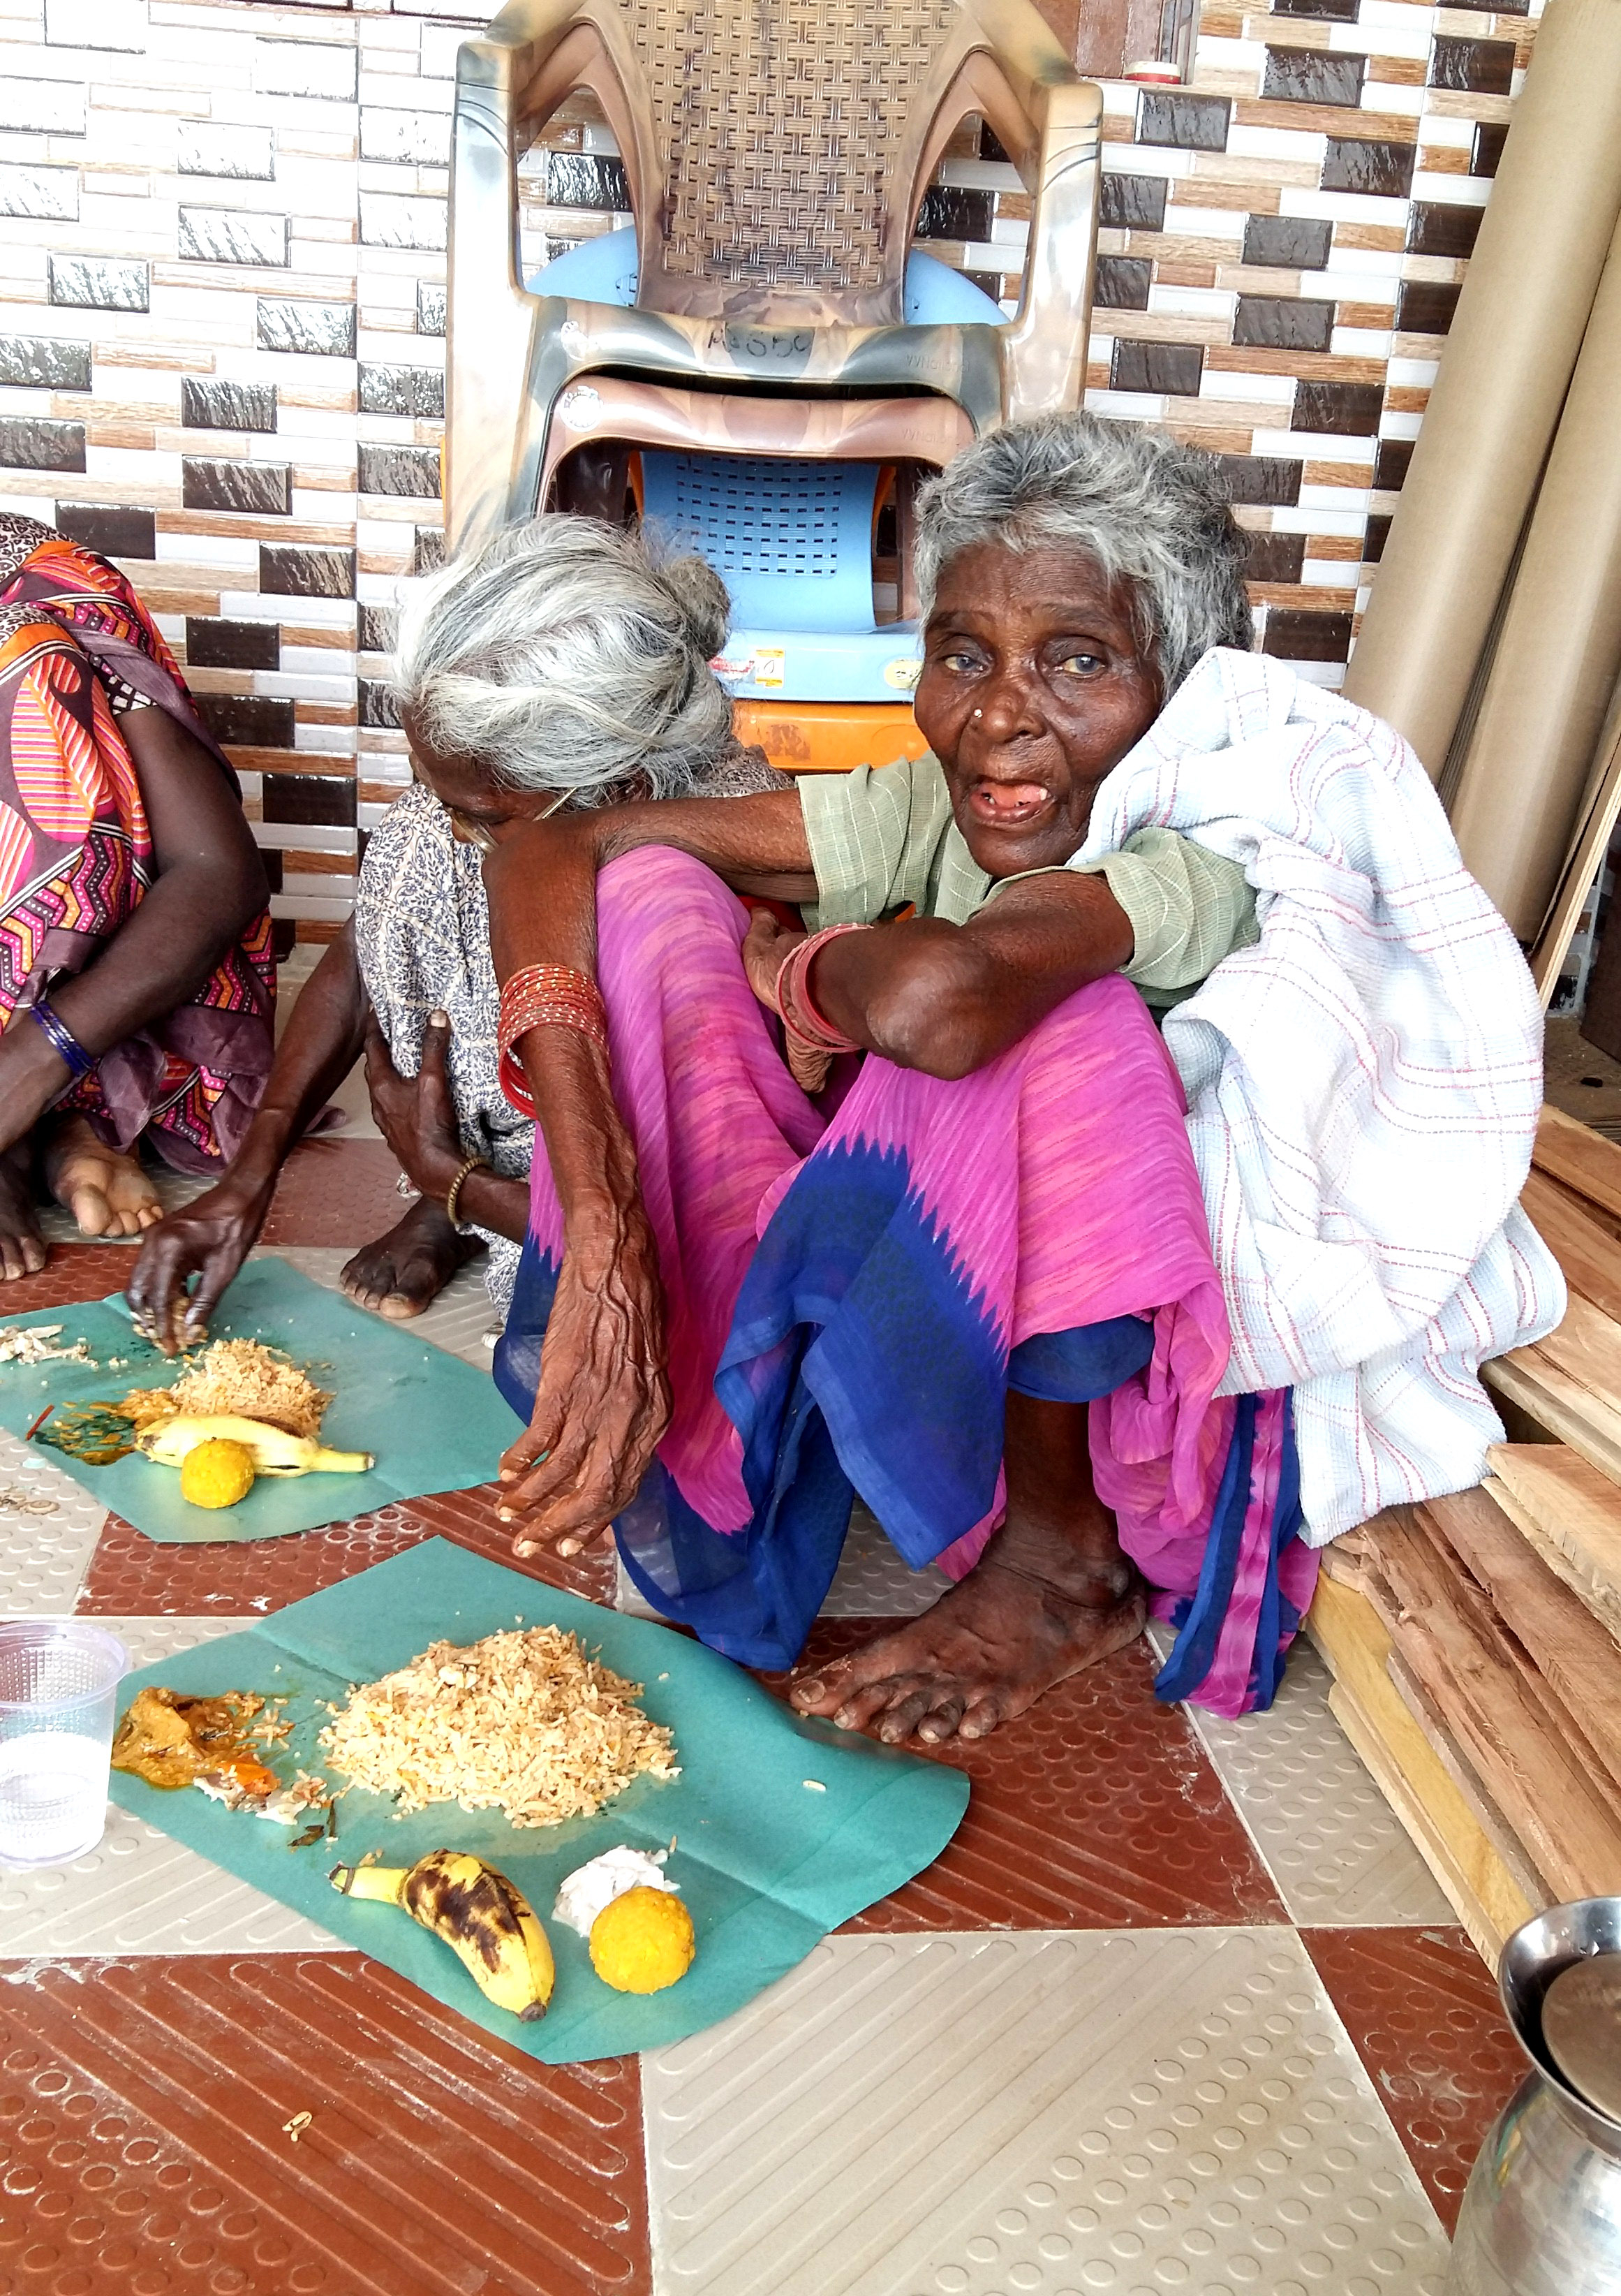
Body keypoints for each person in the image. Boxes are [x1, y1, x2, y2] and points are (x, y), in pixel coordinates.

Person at [480, 410, 1559, 1735]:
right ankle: (695, 1389)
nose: (998, 714)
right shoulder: (935, 798)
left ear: (1172, 691)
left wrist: (798, 965)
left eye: (1077, 661)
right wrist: (598, 1218)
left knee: (1066, 1028)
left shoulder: (1189, 847)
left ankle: (1059, 1561)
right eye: (959, 654)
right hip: (956, 1290)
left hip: (1138, 1394)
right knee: (651, 894)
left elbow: (947, 1003)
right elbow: (552, 851)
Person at [128, 516, 777, 1349]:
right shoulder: (483, 815)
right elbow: (363, 958)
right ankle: (462, 1206)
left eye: (478, 812)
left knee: (598, 1352)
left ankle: (485, 1206)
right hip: (490, 1143)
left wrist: (450, 1178)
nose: (449, 824)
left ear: (625, 791)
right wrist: (247, 1180)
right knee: (416, 844)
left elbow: (680, 1213)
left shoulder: (718, 895)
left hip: (634, 1203)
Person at [0, 513, 274, 1281]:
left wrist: (34, 1058)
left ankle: (60, 1109)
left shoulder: (49, 586)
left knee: (27, 659)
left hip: (89, 1018)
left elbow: (217, 871)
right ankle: (33, 1142)